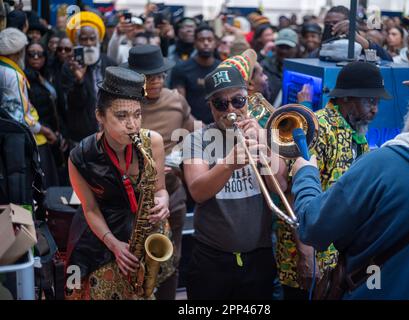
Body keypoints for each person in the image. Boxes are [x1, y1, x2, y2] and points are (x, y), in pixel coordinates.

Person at [291, 52, 409, 300]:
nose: (375, 110)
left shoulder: (381, 157)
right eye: (369, 102)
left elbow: (316, 222)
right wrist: (306, 254)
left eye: (378, 103)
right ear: (345, 98)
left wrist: (305, 174)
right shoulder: (320, 128)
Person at [65, 66, 173, 300]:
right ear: (99, 116)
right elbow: (90, 209)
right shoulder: (79, 157)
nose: (132, 125)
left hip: (144, 235)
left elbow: (161, 189)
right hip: (103, 235)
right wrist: (113, 244)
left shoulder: (152, 142)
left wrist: (163, 200)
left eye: (137, 114)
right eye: (121, 116)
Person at [182, 65, 289, 299]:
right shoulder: (196, 139)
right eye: (221, 104)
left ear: (247, 100)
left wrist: (264, 140)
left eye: (238, 101)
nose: (230, 109)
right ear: (210, 106)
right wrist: (228, 163)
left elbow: (279, 186)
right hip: (211, 260)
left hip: (258, 257)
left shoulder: (262, 134)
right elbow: (198, 192)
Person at [123, 45, 196, 299]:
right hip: (130, 199)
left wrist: (177, 160)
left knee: (170, 261)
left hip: (172, 193)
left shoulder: (176, 100)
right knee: (129, 263)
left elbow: (192, 135)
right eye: (149, 76)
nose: (156, 81)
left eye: (160, 75)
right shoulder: (123, 105)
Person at [0, 28, 58, 185]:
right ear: (18, 52)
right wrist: (45, 131)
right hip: (20, 141)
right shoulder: (12, 74)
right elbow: (20, 117)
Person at [62, 11, 116, 143]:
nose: (89, 43)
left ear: (98, 40)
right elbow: (73, 103)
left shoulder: (110, 64)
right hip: (82, 136)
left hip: (109, 133)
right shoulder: (69, 67)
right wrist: (79, 80)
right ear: (77, 42)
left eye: (92, 38)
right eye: (84, 39)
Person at [25, 42, 64, 187]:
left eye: (40, 54)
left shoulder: (48, 75)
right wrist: (48, 132)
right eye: (31, 54)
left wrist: (60, 133)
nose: (36, 57)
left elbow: (57, 107)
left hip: (53, 137)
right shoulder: (24, 78)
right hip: (38, 137)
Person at [170, 24, 220, 125]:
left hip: (218, 124)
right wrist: (196, 125)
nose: (206, 43)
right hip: (190, 124)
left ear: (215, 43)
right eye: (201, 40)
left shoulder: (223, 68)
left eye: (209, 40)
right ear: (195, 43)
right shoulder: (181, 68)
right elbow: (180, 103)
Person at [261, 28, 299, 106]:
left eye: (288, 47)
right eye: (281, 46)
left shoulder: (303, 70)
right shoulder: (265, 66)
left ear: (296, 48)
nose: (283, 51)